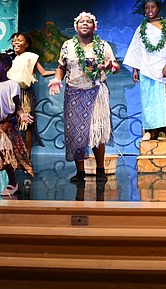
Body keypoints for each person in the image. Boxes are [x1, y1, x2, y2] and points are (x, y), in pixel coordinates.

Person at [49, 12, 120, 183]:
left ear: (94, 27)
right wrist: (57, 80)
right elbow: (61, 67)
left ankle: (100, 169)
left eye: (89, 22)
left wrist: (110, 66)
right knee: (75, 132)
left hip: (96, 91)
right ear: (76, 26)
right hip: (73, 92)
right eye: (81, 22)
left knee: (97, 131)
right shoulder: (67, 46)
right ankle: (80, 172)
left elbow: (115, 67)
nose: (85, 24)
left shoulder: (103, 46)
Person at [123, 0, 166, 140]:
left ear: (158, 8)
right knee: (148, 99)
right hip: (146, 68)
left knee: (162, 98)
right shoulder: (141, 28)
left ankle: (162, 129)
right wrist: (135, 69)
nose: (149, 10)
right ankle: (149, 130)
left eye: (152, 7)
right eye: (147, 8)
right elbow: (136, 49)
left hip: (162, 67)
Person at [0, 52, 34, 197]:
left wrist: (22, 114)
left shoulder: (12, 85)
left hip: (5, 126)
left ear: (5, 67)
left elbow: (17, 105)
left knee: (6, 154)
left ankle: (12, 183)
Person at [8, 31, 55, 150]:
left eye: (19, 40)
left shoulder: (31, 56)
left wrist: (59, 72)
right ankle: (14, 155)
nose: (16, 43)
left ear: (26, 44)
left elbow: (43, 72)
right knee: (11, 124)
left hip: (24, 93)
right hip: (9, 93)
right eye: (14, 41)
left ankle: (27, 155)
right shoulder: (10, 58)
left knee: (27, 124)